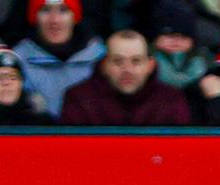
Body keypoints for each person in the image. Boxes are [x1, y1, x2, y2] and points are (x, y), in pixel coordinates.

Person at [60, 29, 192, 126]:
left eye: (136, 61)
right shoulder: (79, 99)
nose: (127, 70)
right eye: (118, 61)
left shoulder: (172, 100)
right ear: (104, 65)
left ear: (150, 65)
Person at [13, 0, 105, 119]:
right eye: (45, 10)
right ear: (34, 16)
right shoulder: (17, 60)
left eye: (64, 10)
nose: (55, 20)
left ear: (75, 16)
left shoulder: (101, 57)